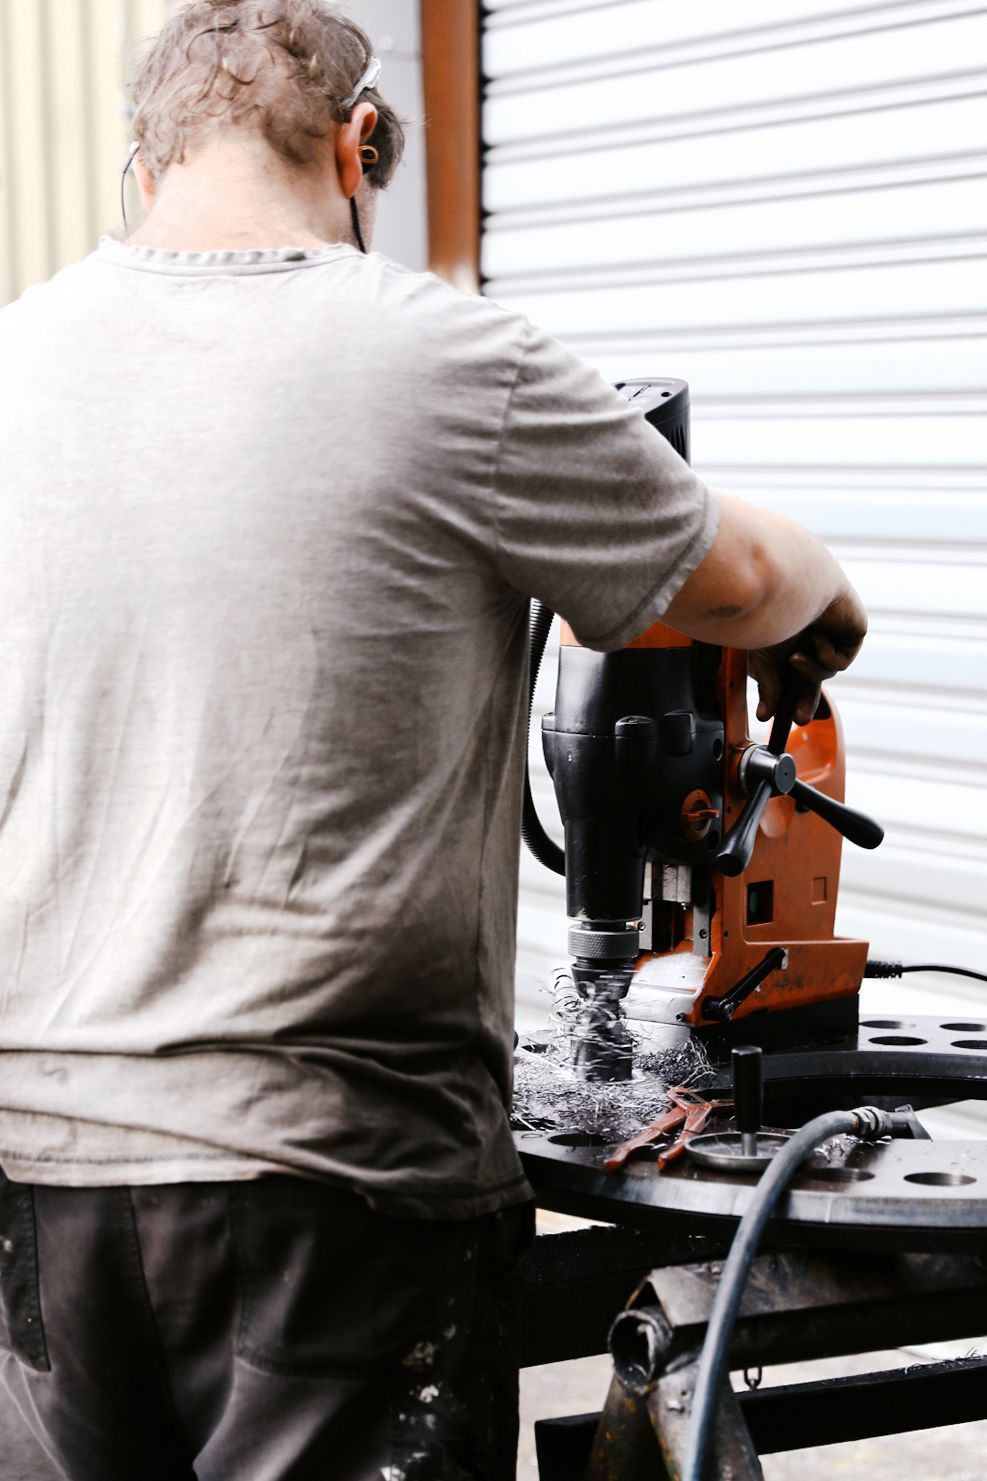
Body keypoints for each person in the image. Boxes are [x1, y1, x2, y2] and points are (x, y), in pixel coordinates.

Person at [0, 2, 867, 1478]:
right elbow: (747, 582)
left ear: (138, 168)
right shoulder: (454, 365)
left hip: (34, 1187)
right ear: (359, 151)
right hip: (338, 1203)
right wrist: (823, 606)